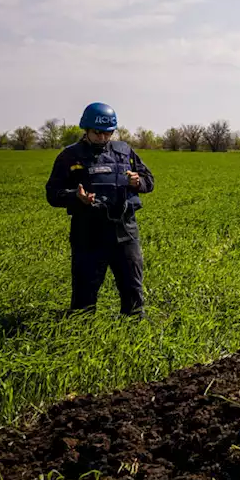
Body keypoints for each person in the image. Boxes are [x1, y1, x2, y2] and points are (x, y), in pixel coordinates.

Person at [45, 102, 154, 318]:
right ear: (86, 129)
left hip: (125, 231)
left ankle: (134, 330)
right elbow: (53, 193)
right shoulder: (70, 156)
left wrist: (137, 182)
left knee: (133, 289)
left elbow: (149, 181)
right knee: (84, 297)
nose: (103, 138)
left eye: (108, 133)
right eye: (98, 133)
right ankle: (82, 334)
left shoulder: (125, 152)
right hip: (88, 232)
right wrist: (75, 196)